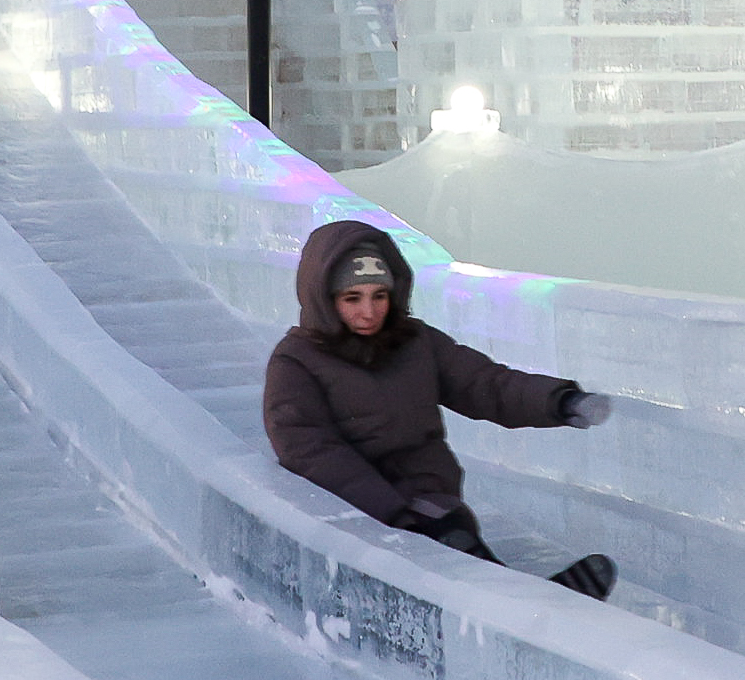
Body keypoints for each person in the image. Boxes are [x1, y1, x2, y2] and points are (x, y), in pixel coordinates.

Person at [264, 221, 619, 598]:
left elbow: (484, 383)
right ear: (325, 298)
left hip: (429, 497)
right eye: (353, 298)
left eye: (379, 296)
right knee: (446, 547)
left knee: (455, 544)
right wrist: (393, 513)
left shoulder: (413, 343)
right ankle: (531, 604)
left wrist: (559, 401)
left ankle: (531, 604)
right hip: (354, 511)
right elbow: (312, 451)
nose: (369, 312)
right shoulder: (296, 363)